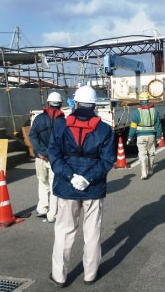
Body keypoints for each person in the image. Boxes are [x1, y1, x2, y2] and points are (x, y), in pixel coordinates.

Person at [48, 85, 116, 287]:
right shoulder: (105, 129)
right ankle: (90, 274)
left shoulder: (60, 126)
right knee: (92, 232)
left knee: (64, 231)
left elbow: (54, 155)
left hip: (66, 187)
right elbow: (107, 160)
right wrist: (88, 178)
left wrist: (70, 176)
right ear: (94, 105)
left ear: (75, 103)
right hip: (93, 188)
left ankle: (59, 276)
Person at [29, 91, 66, 222]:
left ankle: (42, 208)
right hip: (54, 159)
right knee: (53, 184)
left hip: (40, 157)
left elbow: (32, 136)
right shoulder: (62, 120)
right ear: (60, 104)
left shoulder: (39, 118)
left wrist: (41, 151)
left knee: (42, 182)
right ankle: (52, 214)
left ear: (48, 103)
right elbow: (63, 141)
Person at [126, 91, 162, 180]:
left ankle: (143, 173)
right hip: (151, 135)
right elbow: (158, 125)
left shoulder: (137, 112)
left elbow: (133, 126)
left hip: (140, 136)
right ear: (148, 100)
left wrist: (130, 137)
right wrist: (158, 137)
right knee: (151, 153)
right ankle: (150, 169)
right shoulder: (154, 111)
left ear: (140, 101)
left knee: (142, 154)